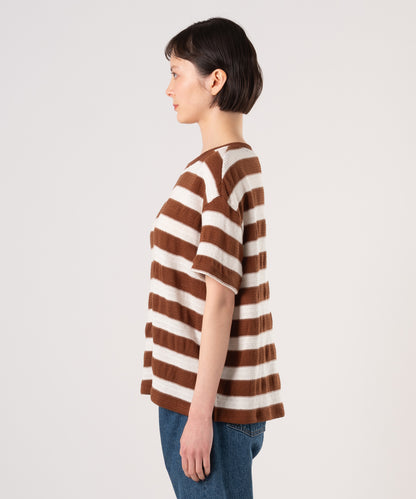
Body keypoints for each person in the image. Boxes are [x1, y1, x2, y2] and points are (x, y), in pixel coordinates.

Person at [139, 17, 285, 498]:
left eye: (177, 73)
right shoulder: (237, 162)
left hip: (206, 403)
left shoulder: (218, 171)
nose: (169, 88)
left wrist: (200, 415)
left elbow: (220, 299)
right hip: (220, 401)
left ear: (215, 80)